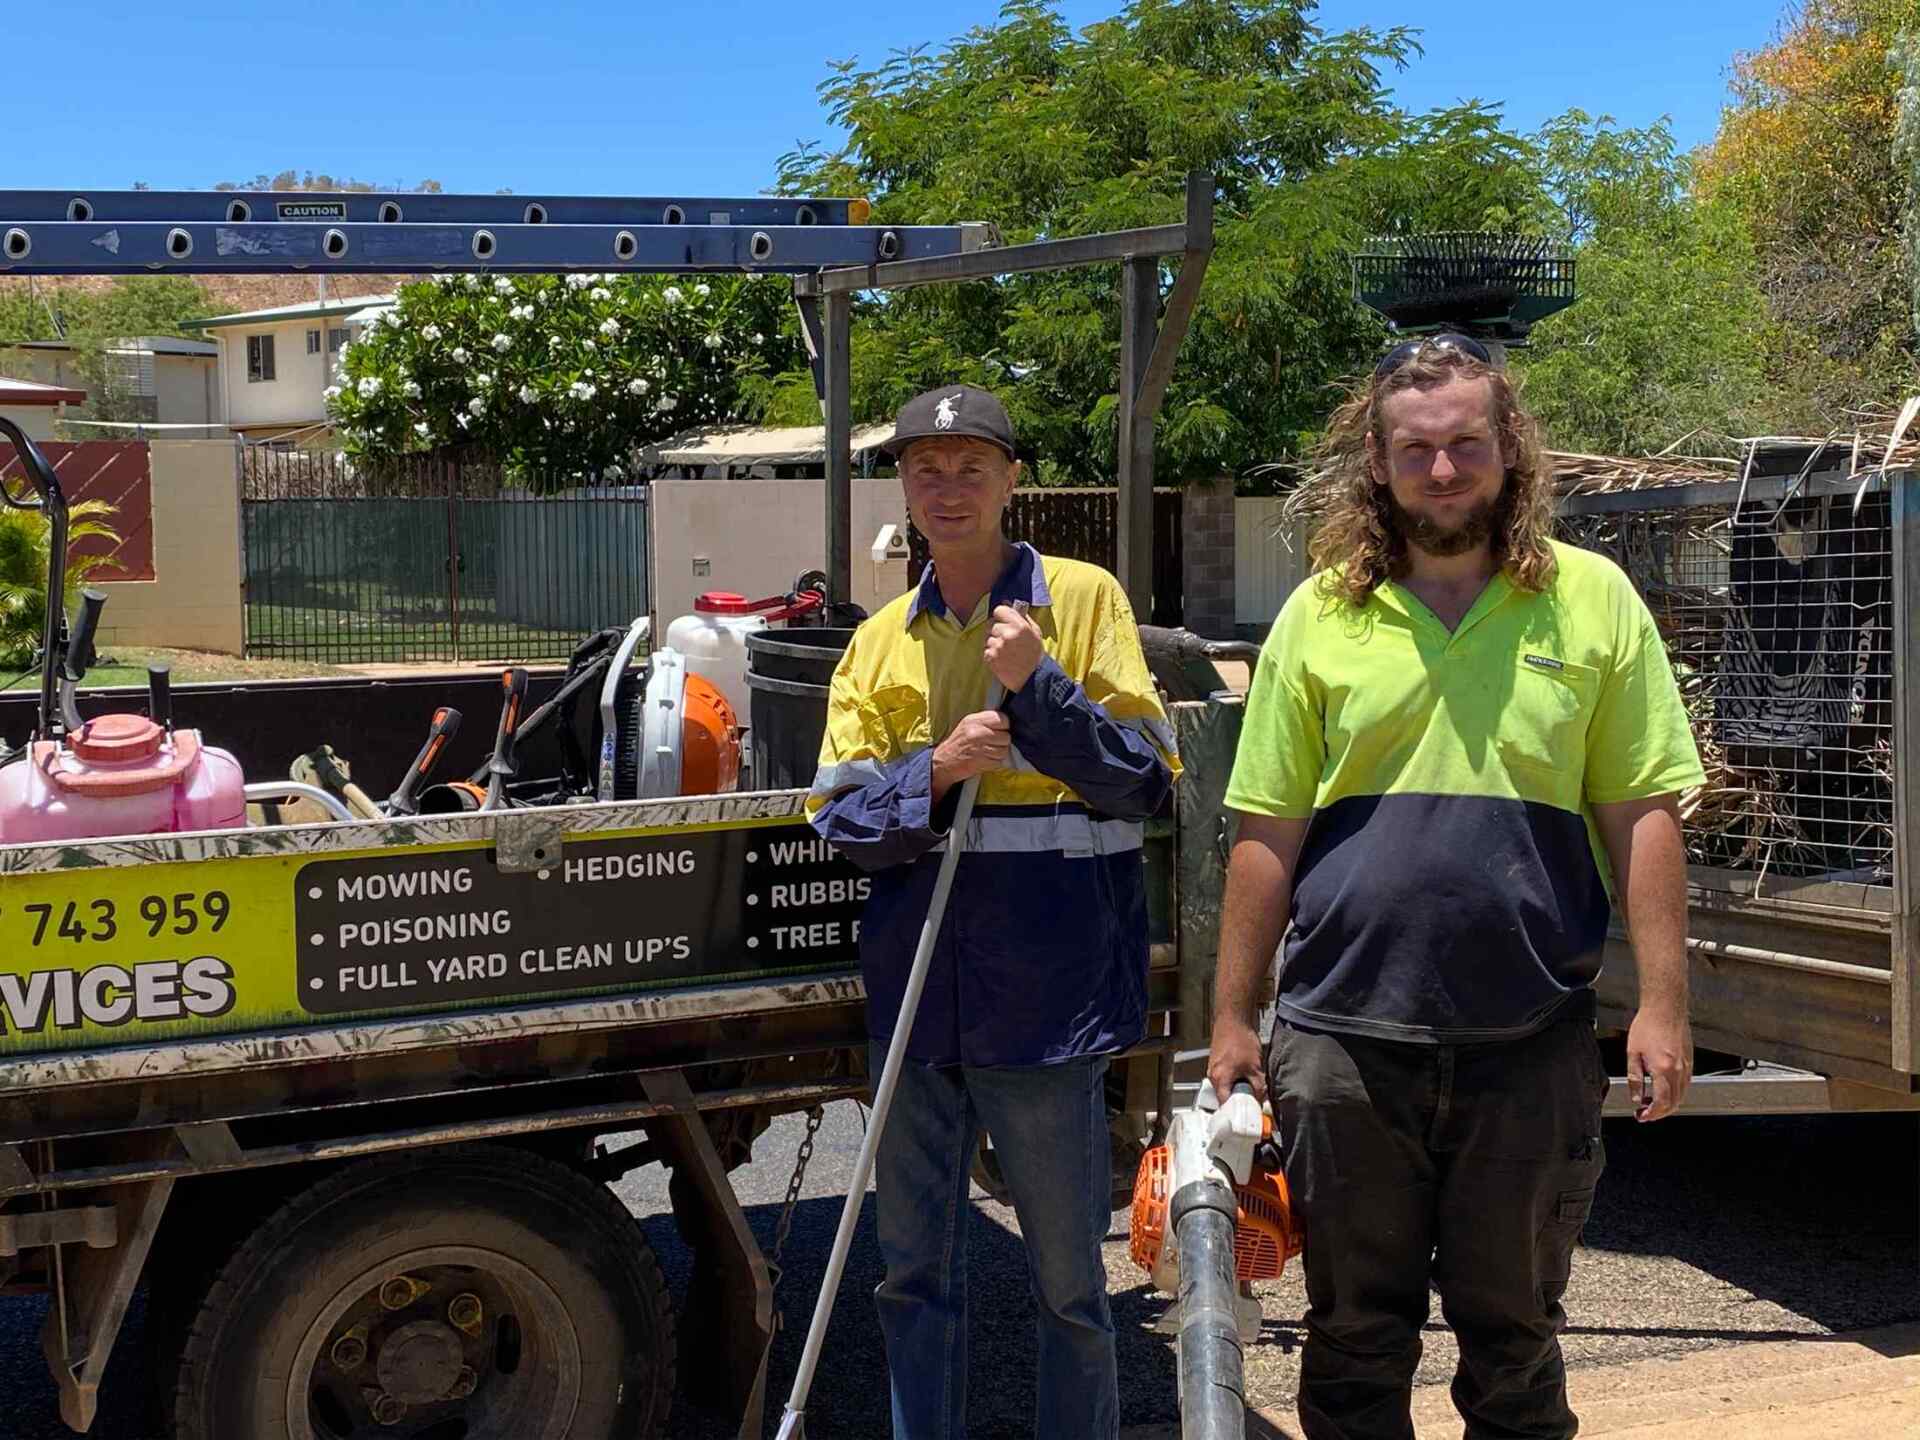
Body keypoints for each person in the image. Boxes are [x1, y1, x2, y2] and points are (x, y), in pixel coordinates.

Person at [1206, 335, 1704, 1440]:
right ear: (1375, 463)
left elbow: (1644, 814)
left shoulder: (1594, 602)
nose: (1442, 472)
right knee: (1350, 1339)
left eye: (1465, 446)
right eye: (1417, 450)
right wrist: (1236, 1015)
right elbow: (1264, 833)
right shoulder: (1319, 616)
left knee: (1516, 1340)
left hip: (1527, 1039)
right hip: (1340, 1043)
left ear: (1508, 450)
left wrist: (1665, 1005)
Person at [806, 382, 1178, 1440]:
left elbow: (1145, 783)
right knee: (910, 1279)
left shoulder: (1083, 601)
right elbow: (837, 816)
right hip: (919, 1008)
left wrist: (1042, 686)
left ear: (1013, 481)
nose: (948, 487)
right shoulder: (879, 638)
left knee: (1070, 1289)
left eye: (973, 466)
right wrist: (934, 772)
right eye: (927, 468)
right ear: (904, 486)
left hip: (1047, 1003)